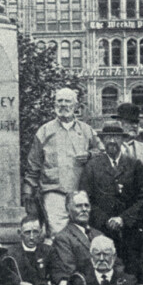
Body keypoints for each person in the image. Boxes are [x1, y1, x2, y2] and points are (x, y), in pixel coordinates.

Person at [23, 88, 100, 236]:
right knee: (58, 235)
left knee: (81, 233)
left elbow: (101, 153)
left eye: (67, 101)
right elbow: (33, 165)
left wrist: (89, 154)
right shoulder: (44, 131)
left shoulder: (86, 130)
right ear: (54, 104)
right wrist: (28, 192)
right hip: (54, 193)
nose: (63, 105)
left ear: (76, 106)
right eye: (60, 101)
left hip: (80, 192)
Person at [79, 121, 143, 279]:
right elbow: (86, 198)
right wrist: (106, 220)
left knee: (130, 273)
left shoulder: (135, 165)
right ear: (103, 141)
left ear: (122, 139)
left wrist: (123, 219)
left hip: (130, 232)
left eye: (116, 137)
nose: (112, 141)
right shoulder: (92, 167)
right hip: (101, 231)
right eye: (108, 137)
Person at [47, 190, 102, 285]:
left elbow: (115, 263)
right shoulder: (63, 238)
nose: (84, 209)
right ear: (68, 210)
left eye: (86, 205)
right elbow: (71, 271)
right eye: (79, 206)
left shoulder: (99, 235)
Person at [3, 214, 51, 285]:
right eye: (27, 232)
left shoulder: (48, 251)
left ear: (40, 232)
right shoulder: (10, 254)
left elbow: (55, 272)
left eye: (35, 232)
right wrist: (20, 283)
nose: (32, 237)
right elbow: (4, 277)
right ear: (19, 233)